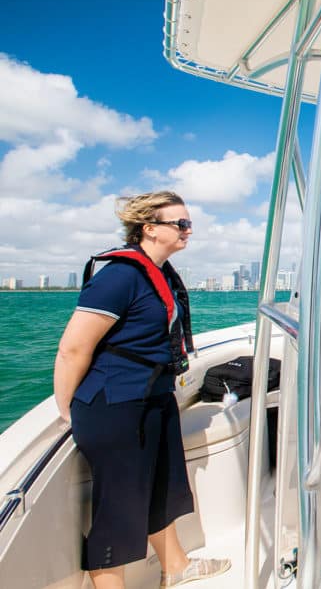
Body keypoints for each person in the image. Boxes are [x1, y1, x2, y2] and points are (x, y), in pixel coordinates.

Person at [52, 191, 230, 589]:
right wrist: (69, 410)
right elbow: (73, 348)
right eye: (179, 223)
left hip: (153, 399)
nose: (187, 230)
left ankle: (177, 565)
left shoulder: (160, 272)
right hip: (115, 405)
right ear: (148, 228)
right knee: (119, 510)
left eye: (189, 223)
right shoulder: (120, 276)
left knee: (161, 489)